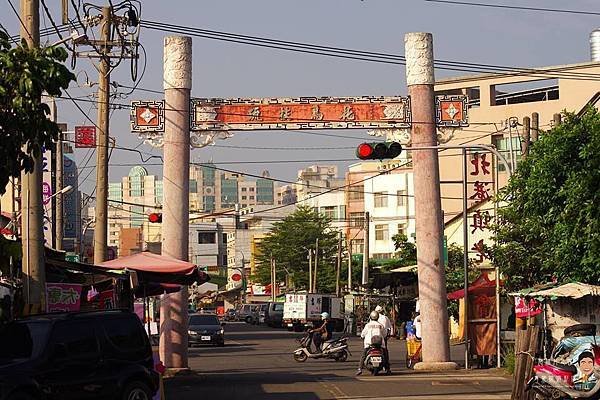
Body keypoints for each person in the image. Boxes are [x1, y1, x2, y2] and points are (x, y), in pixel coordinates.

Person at [356, 310, 387, 376]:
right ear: (377, 317)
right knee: (385, 354)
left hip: (369, 344)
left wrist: (361, 336)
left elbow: (363, 334)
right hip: (380, 344)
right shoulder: (380, 325)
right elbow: (384, 334)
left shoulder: (368, 325)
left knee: (363, 356)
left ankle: (359, 369)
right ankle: (387, 368)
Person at [375, 305, 393, 373]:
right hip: (382, 338)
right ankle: (387, 367)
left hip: (373, 338)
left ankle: (360, 367)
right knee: (385, 351)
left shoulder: (371, 319)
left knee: (366, 350)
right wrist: (387, 336)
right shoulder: (385, 318)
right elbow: (388, 328)